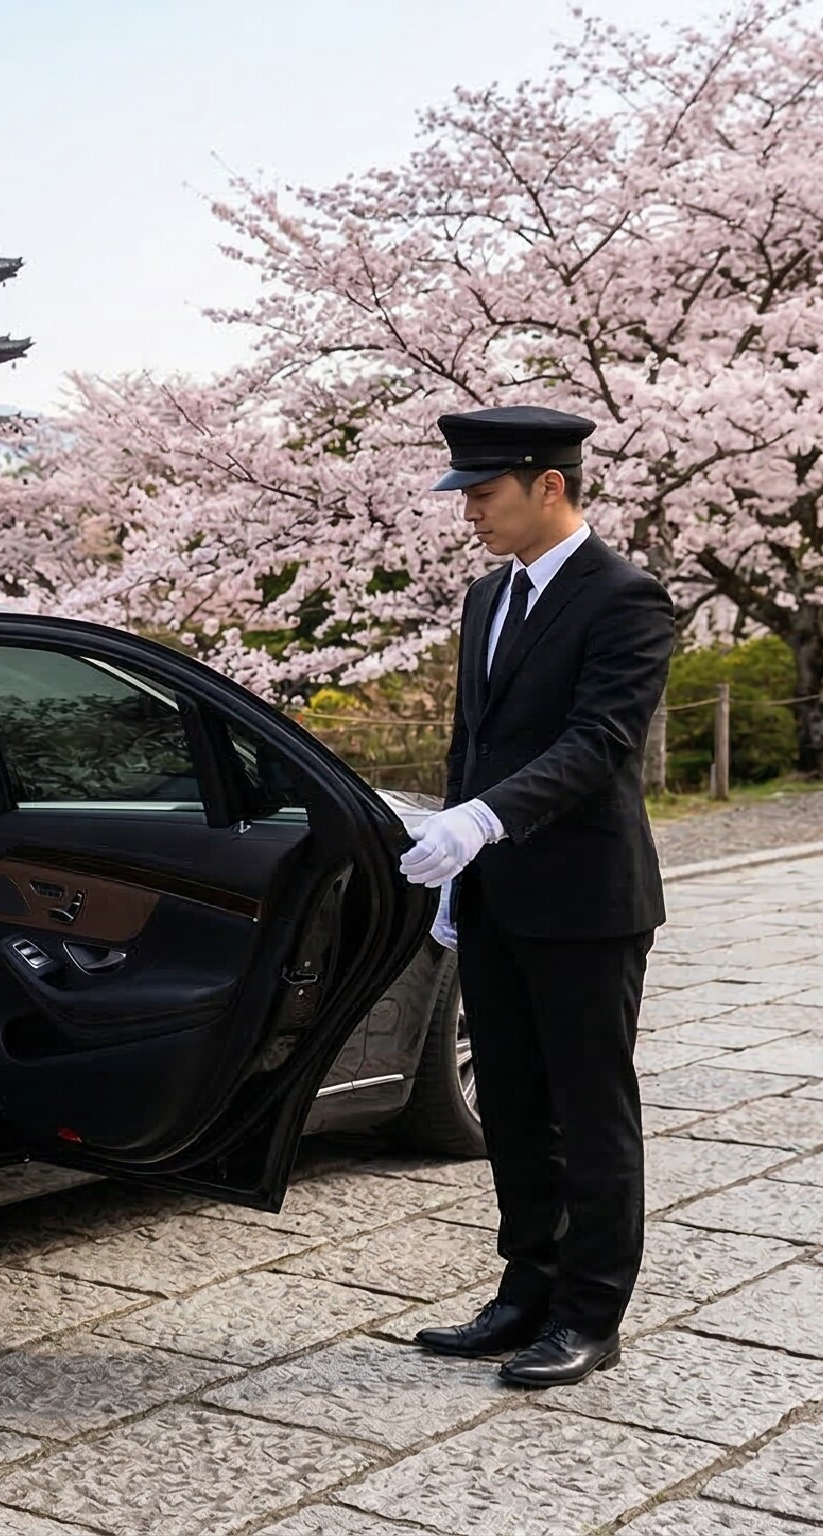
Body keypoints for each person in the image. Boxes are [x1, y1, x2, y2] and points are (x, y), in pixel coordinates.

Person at [398, 405, 674, 1388]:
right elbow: (470, 741)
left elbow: (597, 743)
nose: (466, 510)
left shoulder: (623, 598)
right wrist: (454, 851)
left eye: (481, 493)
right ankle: (525, 1290)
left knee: (588, 1109)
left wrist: (484, 821)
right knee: (510, 1104)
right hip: (494, 897)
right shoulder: (486, 594)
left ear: (546, 486)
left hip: (584, 900)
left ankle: (589, 1313)